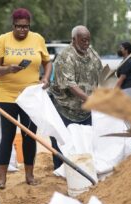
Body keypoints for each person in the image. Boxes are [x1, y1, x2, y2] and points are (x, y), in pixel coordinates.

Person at [0, 8, 52, 189]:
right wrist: (8, 69)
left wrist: (46, 78)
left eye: (25, 27)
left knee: (29, 135)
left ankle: (29, 175)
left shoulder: (38, 39)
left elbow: (47, 62)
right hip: (7, 93)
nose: (22, 30)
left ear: (29, 26)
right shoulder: (2, 40)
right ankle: (2, 178)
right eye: (18, 27)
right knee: (7, 135)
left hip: (30, 95)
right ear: (13, 25)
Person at [49, 25, 102, 169]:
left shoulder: (91, 53)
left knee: (84, 141)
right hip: (64, 108)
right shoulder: (65, 57)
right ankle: (60, 169)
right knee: (63, 142)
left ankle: (82, 169)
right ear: (74, 39)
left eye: (88, 40)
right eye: (83, 40)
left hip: (84, 109)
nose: (86, 43)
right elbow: (70, 85)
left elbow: (100, 74)